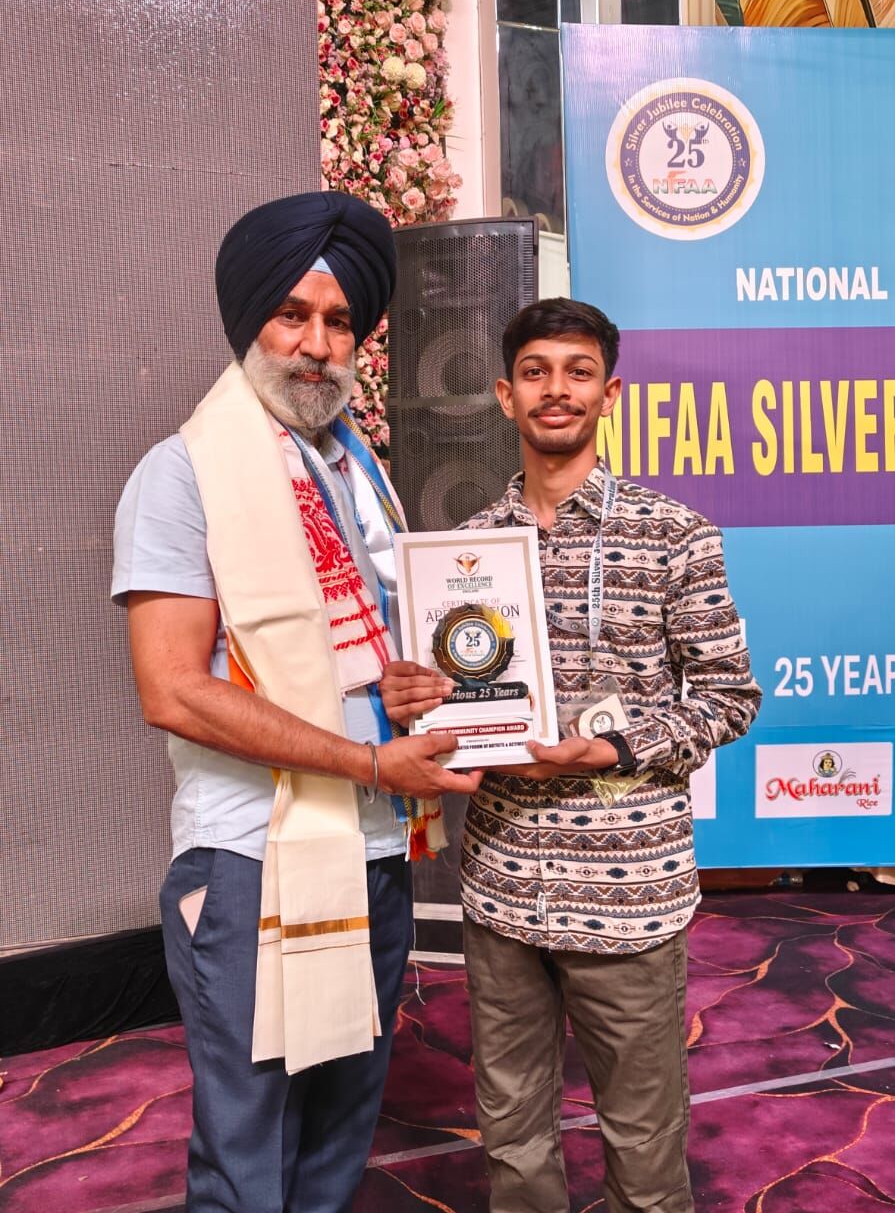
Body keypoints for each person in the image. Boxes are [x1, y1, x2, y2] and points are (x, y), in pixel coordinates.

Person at [111, 191, 479, 1213]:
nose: (317, 344)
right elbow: (173, 688)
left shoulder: (356, 472)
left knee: (339, 1133)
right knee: (249, 1145)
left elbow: (353, 659)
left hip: (374, 848)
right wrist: (366, 760)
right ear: (250, 323)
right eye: (292, 315)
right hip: (248, 860)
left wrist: (402, 688)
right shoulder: (182, 475)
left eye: (339, 321)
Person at [381, 297, 762, 1213]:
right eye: (537, 372)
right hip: (504, 889)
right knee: (511, 1139)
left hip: (628, 895)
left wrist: (611, 747)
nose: (557, 390)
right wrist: (412, 700)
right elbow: (446, 711)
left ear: (609, 394)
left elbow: (728, 697)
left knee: (643, 1145)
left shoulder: (675, 535)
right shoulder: (463, 552)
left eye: (578, 371)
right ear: (504, 395)